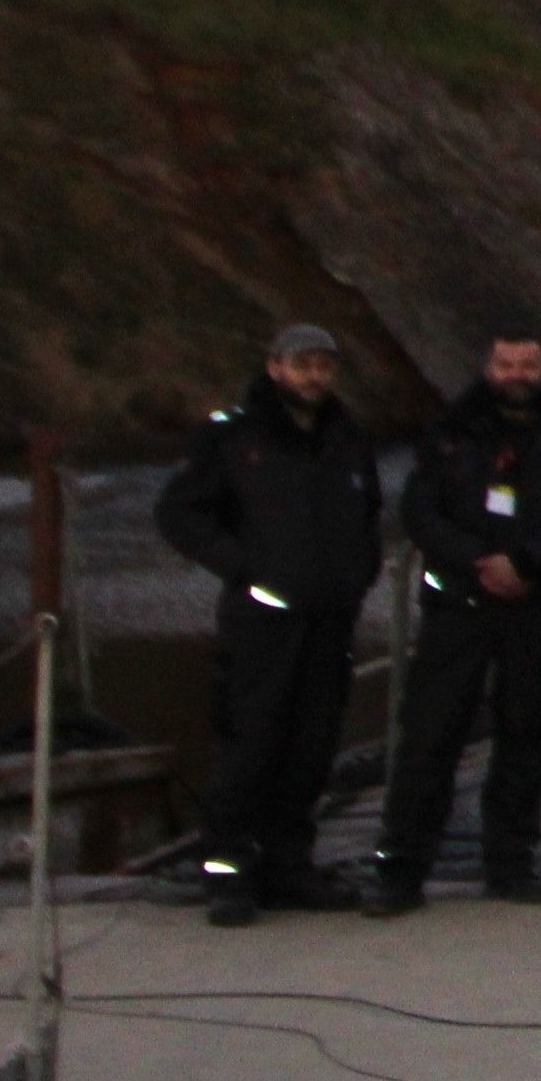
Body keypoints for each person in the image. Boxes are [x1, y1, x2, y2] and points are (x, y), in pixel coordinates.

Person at [159, 323, 386, 925]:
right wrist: (244, 569)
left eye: (323, 366)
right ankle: (228, 872)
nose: (314, 376)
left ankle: (290, 863)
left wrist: (358, 575)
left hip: (330, 617)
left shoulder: (348, 438)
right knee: (250, 742)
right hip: (262, 618)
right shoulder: (233, 438)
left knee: (312, 743)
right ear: (276, 368)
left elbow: (369, 516)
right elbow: (179, 513)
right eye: (302, 365)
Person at [374, 329, 541, 911]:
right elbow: (419, 510)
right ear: (488, 365)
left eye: (528, 364)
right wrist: (478, 561)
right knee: (430, 737)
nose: (516, 374)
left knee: (524, 738)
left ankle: (511, 863)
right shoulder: (450, 431)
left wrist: (527, 561)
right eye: (506, 363)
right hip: (461, 606)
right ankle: (401, 869)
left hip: (540, 604)